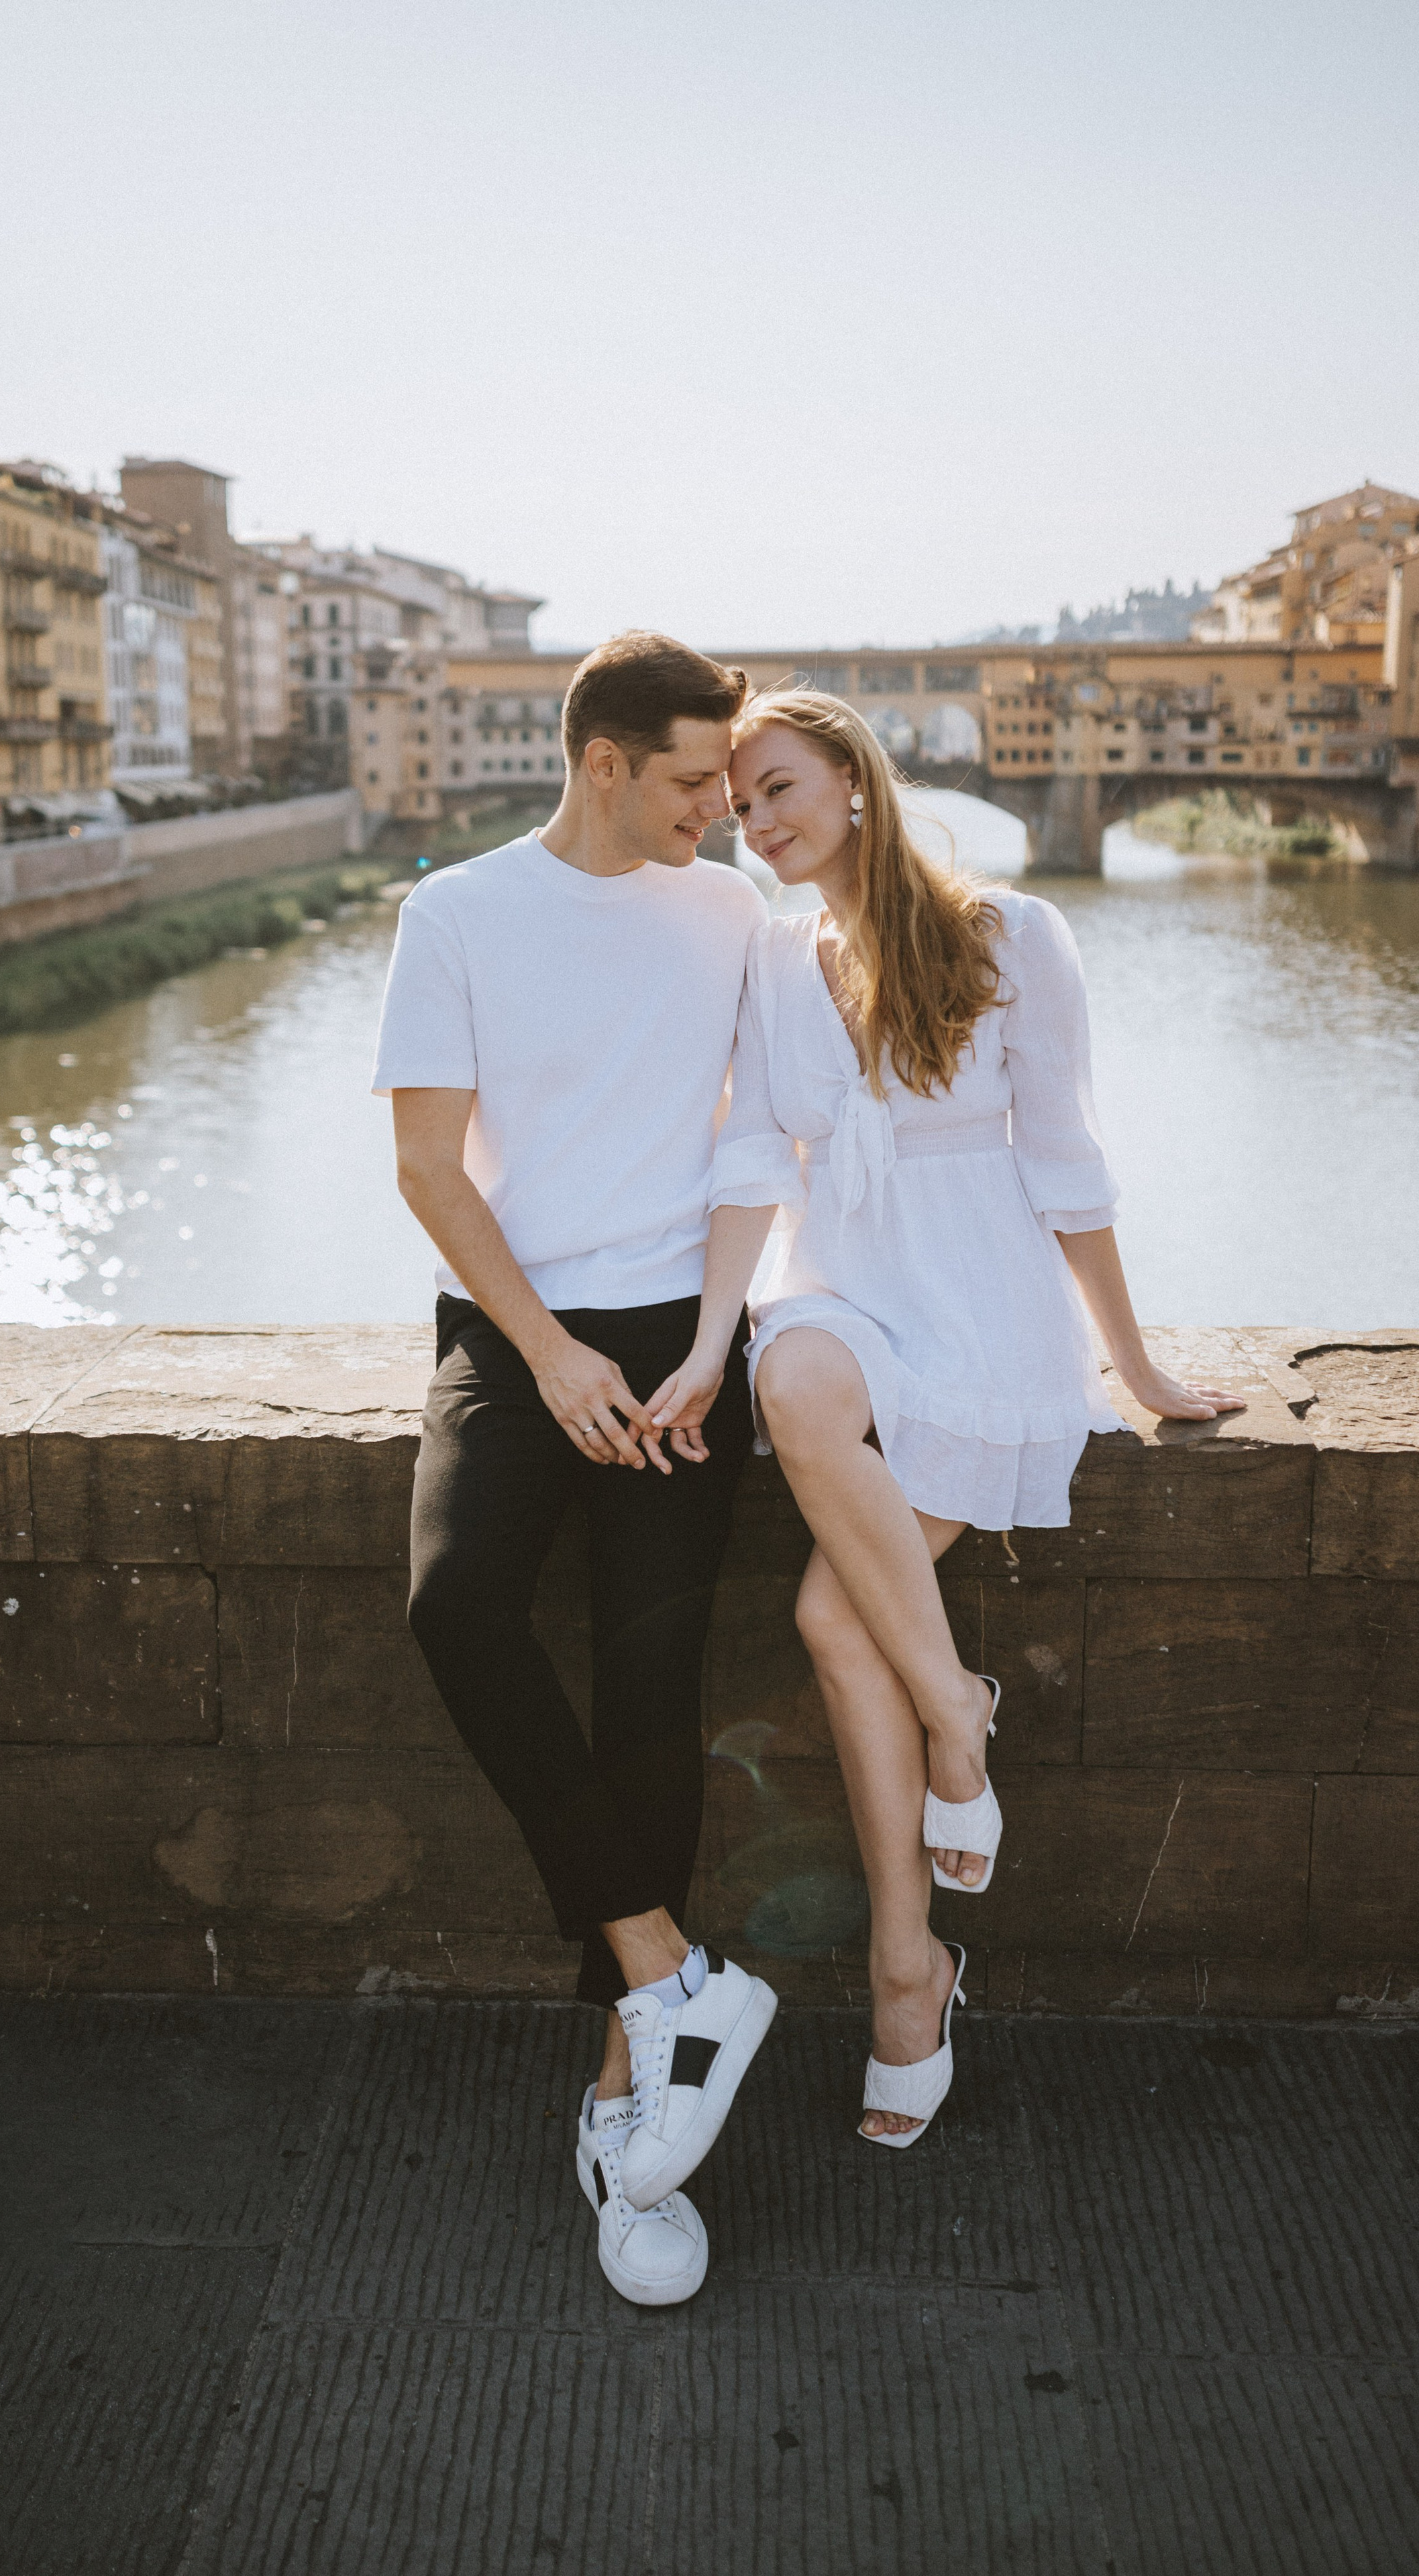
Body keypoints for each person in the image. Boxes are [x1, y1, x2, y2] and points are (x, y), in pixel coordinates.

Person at [642, 689, 1244, 2149]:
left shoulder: (1012, 936)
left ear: (851, 778)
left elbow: (1066, 1166)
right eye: (737, 803)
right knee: (792, 1383)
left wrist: (1137, 1368)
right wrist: (712, 1341)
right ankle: (953, 1719)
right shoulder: (769, 953)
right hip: (843, 1291)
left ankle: (906, 1968)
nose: (757, 819)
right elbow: (744, 1160)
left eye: (778, 786)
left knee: (835, 1622)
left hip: (984, 1311)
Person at [372, 632, 779, 2307]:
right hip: (513, 1330)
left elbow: (760, 1133)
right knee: (456, 1605)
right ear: (603, 761)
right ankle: (669, 1975)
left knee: (649, 1687)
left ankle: (632, 2115)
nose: (722, 804)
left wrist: (709, 1342)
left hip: (685, 1334)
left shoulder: (734, 912)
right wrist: (545, 1353)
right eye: (694, 778)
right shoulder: (455, 913)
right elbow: (423, 1163)